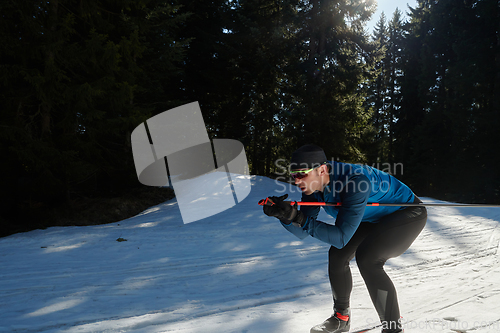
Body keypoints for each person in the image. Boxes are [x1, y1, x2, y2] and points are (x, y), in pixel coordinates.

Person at [263, 144, 427, 333]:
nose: (297, 181)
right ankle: (341, 318)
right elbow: (303, 231)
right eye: (293, 176)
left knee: (368, 259)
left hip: (407, 212)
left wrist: (298, 218)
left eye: (301, 174)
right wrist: (284, 216)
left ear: (322, 169)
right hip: (371, 216)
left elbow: (340, 237)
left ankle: (393, 329)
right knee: (338, 255)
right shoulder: (313, 185)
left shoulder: (355, 181)